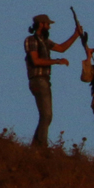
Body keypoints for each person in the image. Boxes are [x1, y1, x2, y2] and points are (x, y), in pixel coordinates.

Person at [24, 13, 83, 147]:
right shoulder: (31, 40)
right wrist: (56, 61)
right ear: (41, 24)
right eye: (47, 24)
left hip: (44, 80)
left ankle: (36, 146)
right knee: (46, 115)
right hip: (38, 79)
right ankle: (41, 146)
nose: (49, 27)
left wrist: (75, 35)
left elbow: (61, 48)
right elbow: (36, 60)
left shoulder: (45, 41)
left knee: (46, 116)